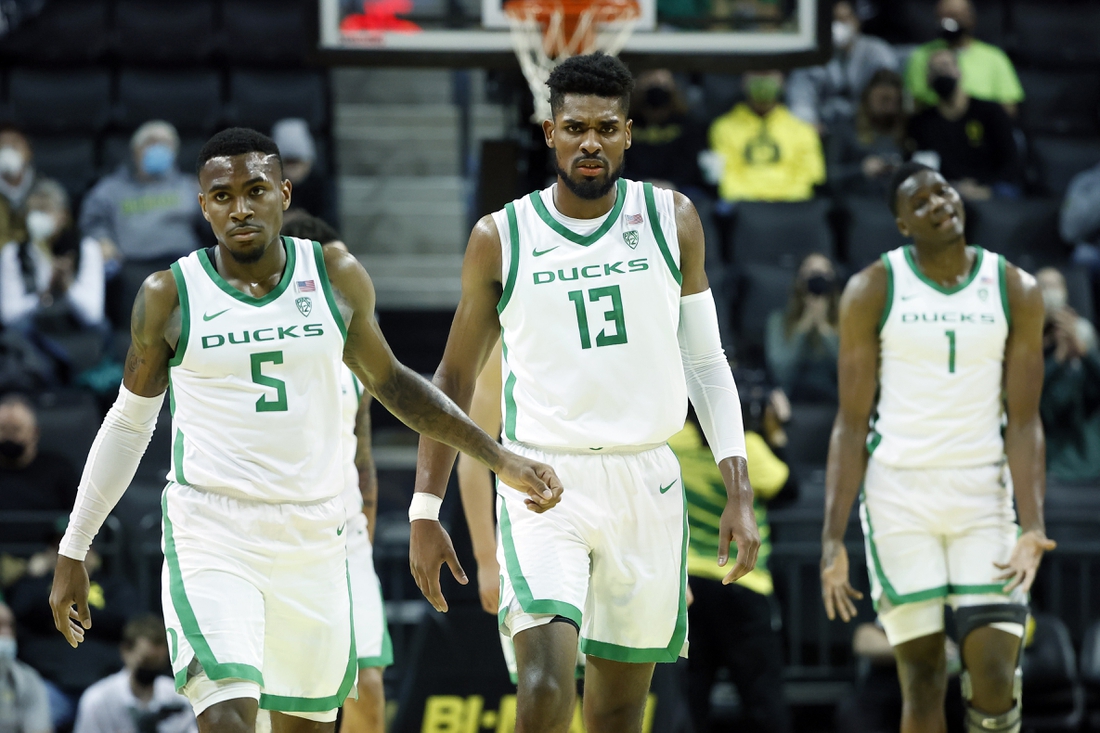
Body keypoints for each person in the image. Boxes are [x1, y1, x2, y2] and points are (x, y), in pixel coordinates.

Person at [48, 127, 562, 733]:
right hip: (214, 533)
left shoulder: (334, 276)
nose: (239, 208)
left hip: (316, 537)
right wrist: (73, 546)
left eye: (255, 190)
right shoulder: (169, 296)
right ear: (202, 203)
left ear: (284, 193)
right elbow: (128, 426)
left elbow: (395, 385)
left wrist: (499, 458)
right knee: (227, 720)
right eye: (221, 195)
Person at [410, 52, 760, 733]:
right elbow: (450, 380)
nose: (589, 141)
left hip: (648, 479)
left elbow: (709, 363)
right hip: (544, 480)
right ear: (550, 133)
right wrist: (427, 505)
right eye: (574, 127)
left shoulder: (673, 219)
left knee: (618, 712)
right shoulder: (500, 236)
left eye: (605, 127)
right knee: (543, 686)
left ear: (628, 132)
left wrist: (736, 487)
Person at [821, 161, 1055, 733]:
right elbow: (850, 425)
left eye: (943, 191)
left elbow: (1025, 423)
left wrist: (1032, 524)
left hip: (983, 493)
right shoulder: (872, 287)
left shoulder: (1015, 288)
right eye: (920, 202)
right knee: (922, 680)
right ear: (903, 224)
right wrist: (832, 537)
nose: (938, 203)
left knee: (996, 673)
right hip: (900, 496)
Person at [280, 214, 388, 733]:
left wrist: (364, 518)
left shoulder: (353, 354)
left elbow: (362, 454)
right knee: (280, 701)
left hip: (344, 536)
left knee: (367, 686)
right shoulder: (263, 344)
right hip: (272, 538)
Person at [671, 410, 790, 733]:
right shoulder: (744, 445)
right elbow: (786, 488)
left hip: (687, 585)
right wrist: (775, 436)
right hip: (744, 582)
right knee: (762, 697)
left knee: (690, 698)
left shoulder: (669, 440)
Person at [79, 121, 204, 269]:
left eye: (165, 143)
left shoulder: (189, 187)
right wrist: (102, 240)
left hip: (183, 263)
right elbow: (92, 222)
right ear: (136, 150)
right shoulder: (110, 189)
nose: (158, 148)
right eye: (151, 142)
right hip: (131, 265)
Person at [905, 49, 1020, 201]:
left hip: (992, 187)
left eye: (945, 66)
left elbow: (1011, 161)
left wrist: (985, 188)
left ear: (959, 72)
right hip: (945, 192)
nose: (941, 73)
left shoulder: (990, 112)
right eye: (934, 70)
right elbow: (919, 165)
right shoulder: (922, 121)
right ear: (927, 80)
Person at [0, 179, 106, 333]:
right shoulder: (13, 252)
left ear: (63, 216)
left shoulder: (86, 248)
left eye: (44, 209)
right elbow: (9, 315)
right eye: (32, 210)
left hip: (76, 332)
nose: (36, 217)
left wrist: (66, 285)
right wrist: (44, 295)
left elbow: (93, 316)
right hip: (33, 335)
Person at [709, 70, 825, 203]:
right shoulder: (722, 128)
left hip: (792, 208)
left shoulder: (803, 130)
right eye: (756, 72)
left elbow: (810, 179)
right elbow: (724, 179)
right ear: (743, 80)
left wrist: (778, 202)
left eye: (769, 73)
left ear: (783, 80)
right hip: (744, 209)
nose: (763, 80)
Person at [786, 1, 897, 134]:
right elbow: (800, 98)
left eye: (845, 19)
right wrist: (807, 123)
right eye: (835, 20)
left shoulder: (877, 53)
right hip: (823, 131)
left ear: (857, 21)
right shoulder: (812, 55)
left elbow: (889, 97)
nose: (840, 26)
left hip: (867, 131)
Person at [72, 615, 196, 733]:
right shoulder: (99, 700)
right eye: (146, 661)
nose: (151, 668)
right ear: (125, 651)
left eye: (157, 663)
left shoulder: (177, 697)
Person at [1035, 267, 1100, 483]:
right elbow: (1033, 400)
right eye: (1044, 286)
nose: (1051, 292)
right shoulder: (1027, 341)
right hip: (1050, 461)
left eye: (1056, 285)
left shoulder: (1083, 333)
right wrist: (1058, 358)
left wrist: (1083, 352)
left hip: (1087, 458)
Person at [904, 0, 1023, 115]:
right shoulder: (922, 56)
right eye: (943, 16)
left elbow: (1009, 109)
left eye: (955, 15)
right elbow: (913, 106)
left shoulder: (995, 58)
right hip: (936, 128)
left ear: (971, 19)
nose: (948, 22)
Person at [0, 395, 77, 546]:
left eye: (16, 430)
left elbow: (79, 521)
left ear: (34, 432)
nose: (9, 437)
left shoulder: (59, 470)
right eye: (2, 430)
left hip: (47, 559)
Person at [766, 253, 840, 403]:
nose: (817, 280)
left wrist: (825, 329)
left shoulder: (846, 320)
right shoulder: (779, 321)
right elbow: (781, 373)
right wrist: (802, 327)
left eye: (823, 275)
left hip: (837, 401)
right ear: (799, 281)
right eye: (811, 274)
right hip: (792, 399)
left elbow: (851, 371)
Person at [827, 69, 906, 198]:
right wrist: (861, 170)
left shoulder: (907, 130)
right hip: (859, 203)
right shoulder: (846, 129)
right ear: (868, 98)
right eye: (883, 100)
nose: (888, 108)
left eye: (894, 102)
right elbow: (831, 176)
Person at [271, 120, 338, 228]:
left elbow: (331, 227)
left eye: (297, 162)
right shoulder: (268, 187)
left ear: (309, 162)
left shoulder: (321, 188)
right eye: (288, 162)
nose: (293, 171)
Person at [0, 601, 52, 733]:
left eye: (10, 626)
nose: (6, 633)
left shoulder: (28, 679)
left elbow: (39, 729)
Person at [0, 127, 38, 246]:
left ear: (28, 151)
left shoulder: (45, 189)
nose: (9, 150)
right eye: (3, 145)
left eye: (15, 144)